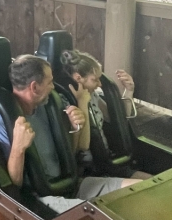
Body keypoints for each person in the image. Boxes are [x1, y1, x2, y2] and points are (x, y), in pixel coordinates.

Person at [0, 55, 135, 212]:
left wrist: (76, 126)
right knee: (111, 214)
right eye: (49, 82)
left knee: (138, 190)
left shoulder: (50, 106)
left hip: (73, 184)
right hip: (41, 198)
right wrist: (18, 147)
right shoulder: (0, 121)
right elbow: (13, 184)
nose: (53, 87)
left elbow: (72, 152)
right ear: (34, 87)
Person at [60, 49, 149, 180]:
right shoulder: (66, 103)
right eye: (95, 79)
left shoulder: (94, 95)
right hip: (89, 170)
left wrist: (129, 90)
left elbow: (119, 118)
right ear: (78, 78)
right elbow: (83, 146)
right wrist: (83, 103)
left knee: (152, 181)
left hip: (107, 161)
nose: (100, 84)